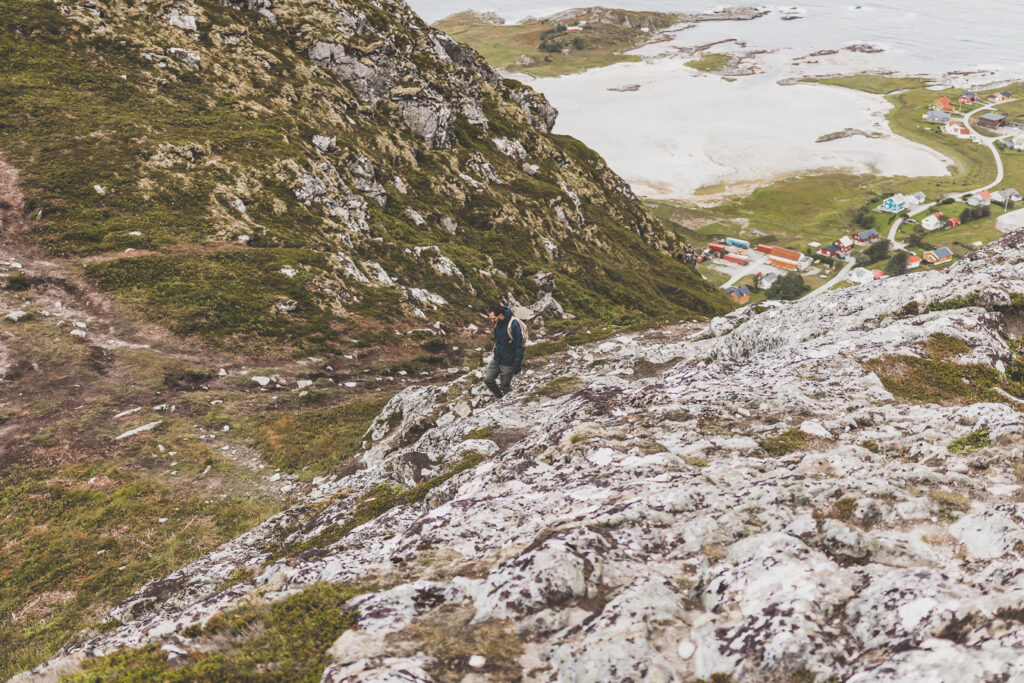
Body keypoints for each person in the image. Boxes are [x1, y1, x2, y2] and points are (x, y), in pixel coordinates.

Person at [483, 303, 524, 398]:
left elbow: (519, 346)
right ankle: (499, 397)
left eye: (493, 318)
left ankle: (509, 402)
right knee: (488, 380)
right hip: (497, 358)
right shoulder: (497, 322)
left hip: (509, 361)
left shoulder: (514, 324)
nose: (492, 321)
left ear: (500, 315)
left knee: (505, 386)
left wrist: (517, 364)